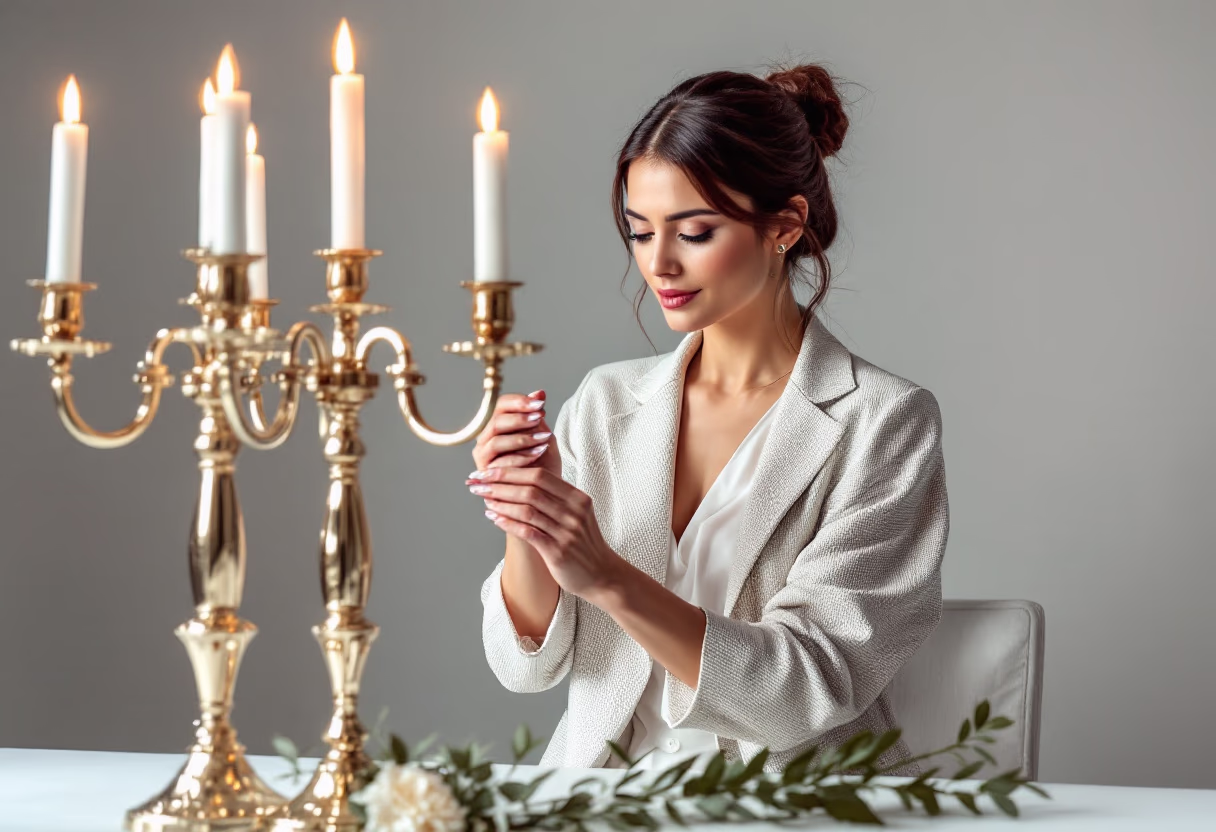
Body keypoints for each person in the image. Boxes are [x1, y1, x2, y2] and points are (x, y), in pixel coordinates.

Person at [470, 63, 948, 776]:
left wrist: (605, 575)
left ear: (784, 227)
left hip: (792, 805)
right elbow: (524, 669)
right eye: (639, 232)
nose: (657, 262)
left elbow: (807, 687)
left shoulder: (884, 422)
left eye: (693, 231)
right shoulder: (605, 403)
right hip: (598, 796)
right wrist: (526, 517)